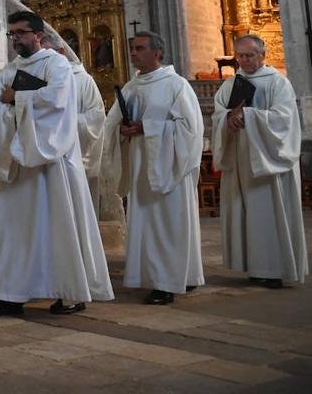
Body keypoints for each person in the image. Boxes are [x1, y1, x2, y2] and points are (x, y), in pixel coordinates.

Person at [0, 10, 113, 315]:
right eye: (11, 33)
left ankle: (67, 291)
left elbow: (57, 101)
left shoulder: (57, 64)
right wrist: (16, 102)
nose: (15, 38)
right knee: (17, 229)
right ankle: (12, 291)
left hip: (52, 161)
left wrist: (17, 98)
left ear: (38, 35)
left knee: (58, 227)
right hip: (19, 162)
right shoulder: (10, 70)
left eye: (20, 33)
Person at [103, 31, 204, 304]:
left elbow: (190, 129)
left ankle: (167, 282)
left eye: (139, 48)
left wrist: (147, 127)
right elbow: (111, 124)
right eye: (132, 48)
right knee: (148, 224)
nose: (133, 53)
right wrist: (122, 130)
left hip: (169, 167)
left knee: (169, 224)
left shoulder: (176, 85)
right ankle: (171, 276)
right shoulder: (131, 87)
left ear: (157, 53)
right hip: (140, 166)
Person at [212, 34, 308, 288]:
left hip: (268, 162)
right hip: (243, 161)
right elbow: (219, 112)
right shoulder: (232, 84)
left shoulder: (278, 83)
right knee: (249, 216)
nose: (243, 60)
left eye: (249, 55)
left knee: (270, 214)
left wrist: (249, 117)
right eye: (240, 56)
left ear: (263, 55)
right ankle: (255, 268)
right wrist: (228, 119)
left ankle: (275, 269)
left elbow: (284, 119)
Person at [43, 30, 106, 207]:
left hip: (75, 157)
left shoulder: (83, 80)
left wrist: (63, 122)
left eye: (49, 54)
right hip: (47, 159)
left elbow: (96, 117)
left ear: (62, 53)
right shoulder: (41, 79)